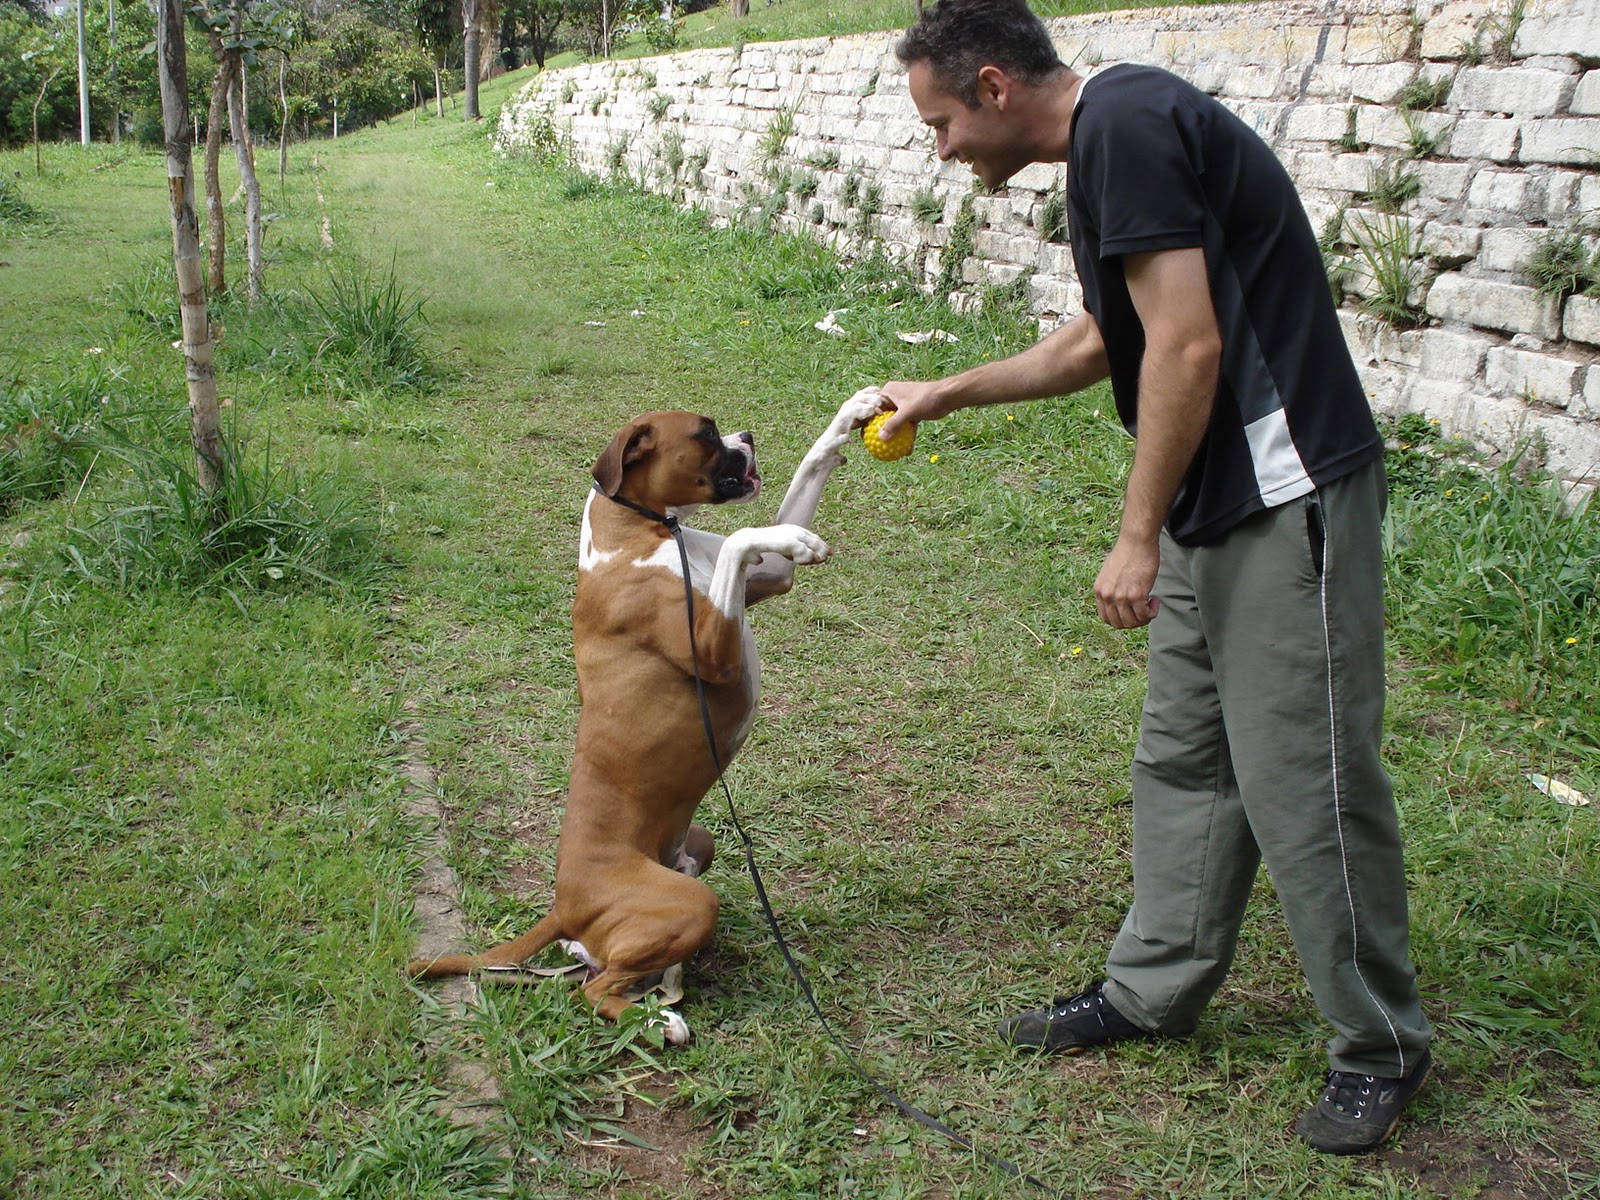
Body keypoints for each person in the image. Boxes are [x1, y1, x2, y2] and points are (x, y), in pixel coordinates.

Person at [875, 0, 1433, 1156]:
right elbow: (1101, 341)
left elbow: (1187, 345)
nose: (941, 150)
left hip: (1285, 498)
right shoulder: (1107, 142)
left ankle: (1378, 1045)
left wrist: (1133, 535)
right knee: (1185, 758)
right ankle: (1151, 988)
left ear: (991, 85)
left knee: (1306, 780)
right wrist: (945, 391)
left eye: (938, 124)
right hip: (1213, 500)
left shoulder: (1122, 125)